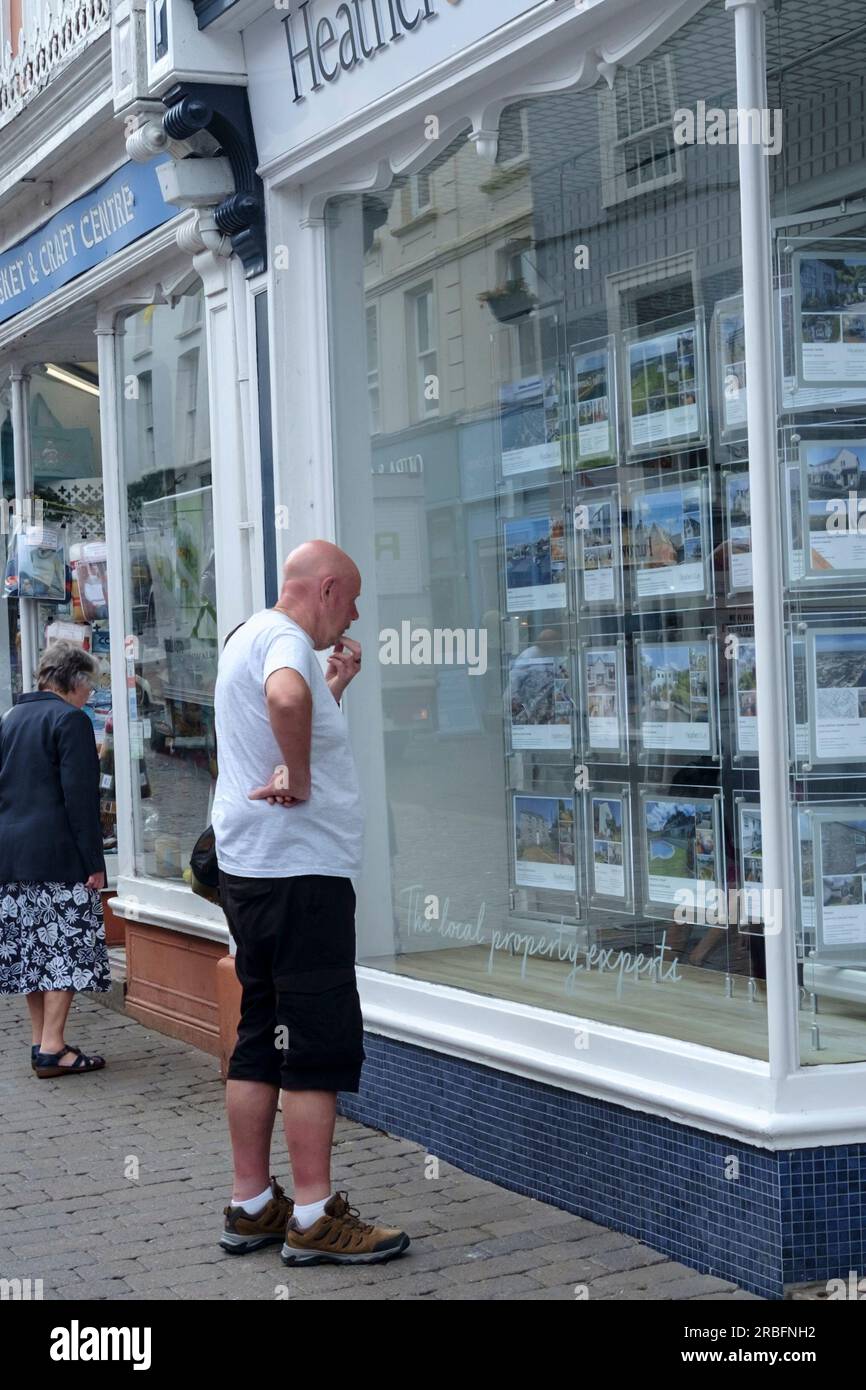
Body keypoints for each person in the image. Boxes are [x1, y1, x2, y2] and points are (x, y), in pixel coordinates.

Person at [213, 540, 410, 1266]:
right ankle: (314, 1213)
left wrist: (332, 690)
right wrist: (298, 776)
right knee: (315, 1045)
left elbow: (291, 707)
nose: (353, 615)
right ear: (325, 588)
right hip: (302, 877)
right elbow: (285, 701)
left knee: (262, 1033)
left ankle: (252, 1203)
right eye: (351, 600)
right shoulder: (286, 639)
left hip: (251, 872)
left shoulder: (247, 636)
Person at [0, 639, 109, 1077]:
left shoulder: (10, 718)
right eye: (90, 687)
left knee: (31, 950)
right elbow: (80, 800)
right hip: (60, 853)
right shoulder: (70, 720)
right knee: (63, 947)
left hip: (12, 854)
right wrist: (94, 862)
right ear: (75, 682)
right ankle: (54, 1047)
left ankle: (40, 1041)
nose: (91, 696)